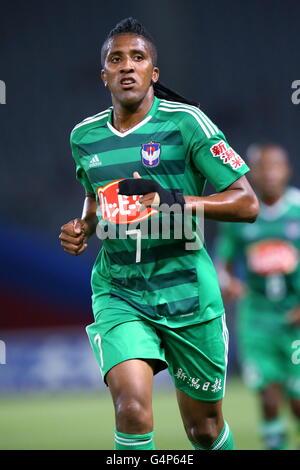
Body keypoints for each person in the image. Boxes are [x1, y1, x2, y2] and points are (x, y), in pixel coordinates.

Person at [59, 17, 258, 451]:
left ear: (154, 73)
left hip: (187, 289)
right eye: (116, 59)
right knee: (131, 409)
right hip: (120, 289)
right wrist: (83, 226)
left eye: (138, 57)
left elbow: (247, 203)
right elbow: (94, 198)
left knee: (203, 430)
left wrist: (173, 201)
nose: (127, 66)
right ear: (104, 76)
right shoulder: (84, 137)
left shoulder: (188, 123)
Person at [215, 144, 300, 450]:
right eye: (262, 168)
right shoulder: (242, 212)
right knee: (267, 395)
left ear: (287, 170)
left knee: (298, 398)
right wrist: (229, 282)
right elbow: (221, 263)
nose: (269, 174)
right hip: (256, 319)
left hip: (294, 317)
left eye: (275, 167)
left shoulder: (298, 209)